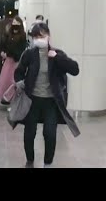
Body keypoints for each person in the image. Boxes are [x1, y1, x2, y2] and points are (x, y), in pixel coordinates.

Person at [14, 23, 80, 168]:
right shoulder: (29, 54)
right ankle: (30, 159)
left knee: (50, 134)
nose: (39, 39)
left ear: (49, 36)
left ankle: (47, 163)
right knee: (29, 133)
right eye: (36, 37)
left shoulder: (57, 53)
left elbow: (75, 70)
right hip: (32, 100)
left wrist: (57, 57)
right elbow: (19, 71)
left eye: (42, 36)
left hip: (51, 102)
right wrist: (19, 82)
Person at [0, 16, 28, 104]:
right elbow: (4, 45)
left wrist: (10, 53)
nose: (15, 24)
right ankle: (6, 97)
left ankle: (13, 99)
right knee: (5, 80)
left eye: (17, 22)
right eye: (14, 22)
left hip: (16, 61)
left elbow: (21, 49)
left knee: (13, 81)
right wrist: (3, 52)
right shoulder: (8, 34)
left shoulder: (23, 36)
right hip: (8, 60)